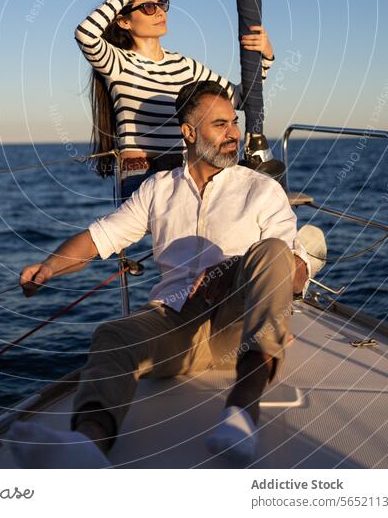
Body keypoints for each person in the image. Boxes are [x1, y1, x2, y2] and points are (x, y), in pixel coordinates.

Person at [19, 80, 310, 466]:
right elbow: (99, 237)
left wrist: (231, 271)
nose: (234, 133)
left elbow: (291, 270)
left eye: (234, 123)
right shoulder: (158, 189)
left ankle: (241, 414)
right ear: (189, 132)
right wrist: (50, 266)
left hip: (235, 325)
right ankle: (87, 447)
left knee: (271, 251)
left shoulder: (260, 190)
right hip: (175, 322)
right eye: (219, 124)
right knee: (113, 335)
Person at [75, 0, 275, 199]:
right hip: (139, 173)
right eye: (149, 7)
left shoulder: (184, 66)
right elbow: (86, 34)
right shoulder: (117, 63)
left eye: (162, 5)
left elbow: (239, 99)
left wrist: (264, 60)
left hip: (182, 171)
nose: (160, 12)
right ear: (124, 22)